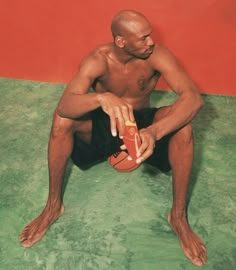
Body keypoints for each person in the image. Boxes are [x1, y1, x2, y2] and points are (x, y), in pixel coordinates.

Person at [19, 9, 207, 266]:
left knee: (184, 125)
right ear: (121, 42)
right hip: (105, 127)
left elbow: (193, 98)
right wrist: (100, 98)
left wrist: (154, 131)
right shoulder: (98, 60)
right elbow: (65, 105)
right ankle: (53, 205)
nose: (150, 41)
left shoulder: (157, 55)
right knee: (61, 121)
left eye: (149, 35)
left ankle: (178, 216)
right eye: (143, 38)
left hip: (142, 126)